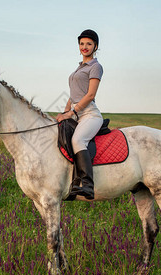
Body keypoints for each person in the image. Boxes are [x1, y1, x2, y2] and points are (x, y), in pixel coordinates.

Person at [56, 29, 104, 200]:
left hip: (90, 114)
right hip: (76, 112)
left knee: (78, 140)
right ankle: (71, 181)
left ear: (95, 46)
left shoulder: (95, 66)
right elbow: (73, 95)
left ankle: (88, 185)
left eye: (89, 44)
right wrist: (64, 113)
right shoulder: (79, 68)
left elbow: (90, 95)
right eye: (82, 44)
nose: (85, 47)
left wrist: (72, 112)